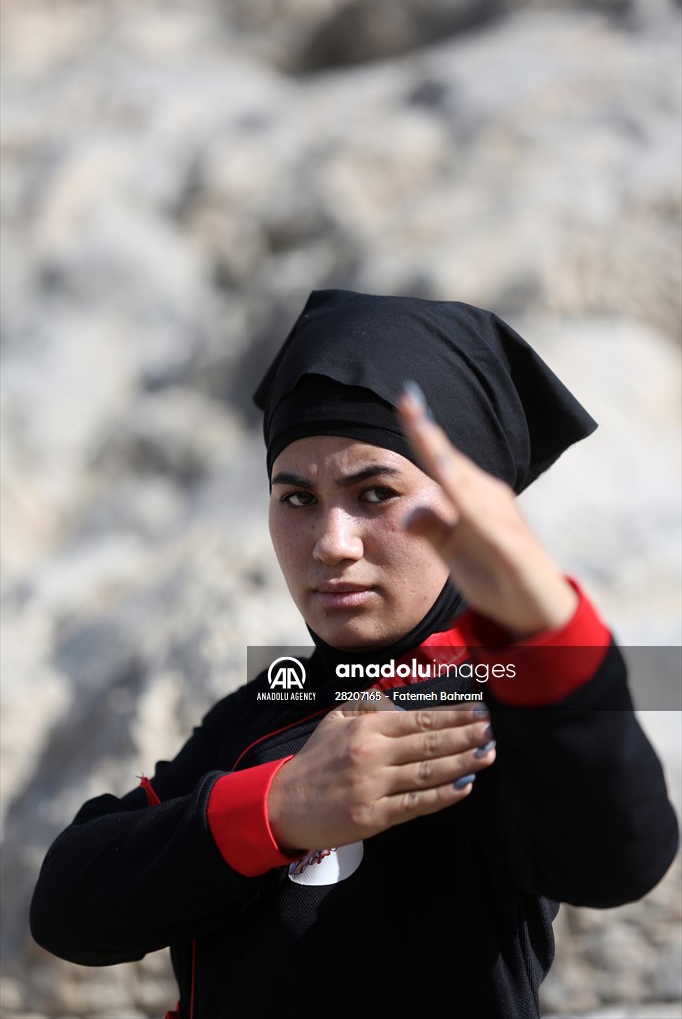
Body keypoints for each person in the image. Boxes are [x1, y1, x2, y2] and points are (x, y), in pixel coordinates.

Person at [30, 290, 679, 1019]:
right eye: (297, 498)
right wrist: (279, 807)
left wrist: (548, 633)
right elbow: (68, 906)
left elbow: (618, 856)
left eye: (374, 492)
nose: (331, 544)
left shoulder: (500, 705)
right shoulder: (262, 711)